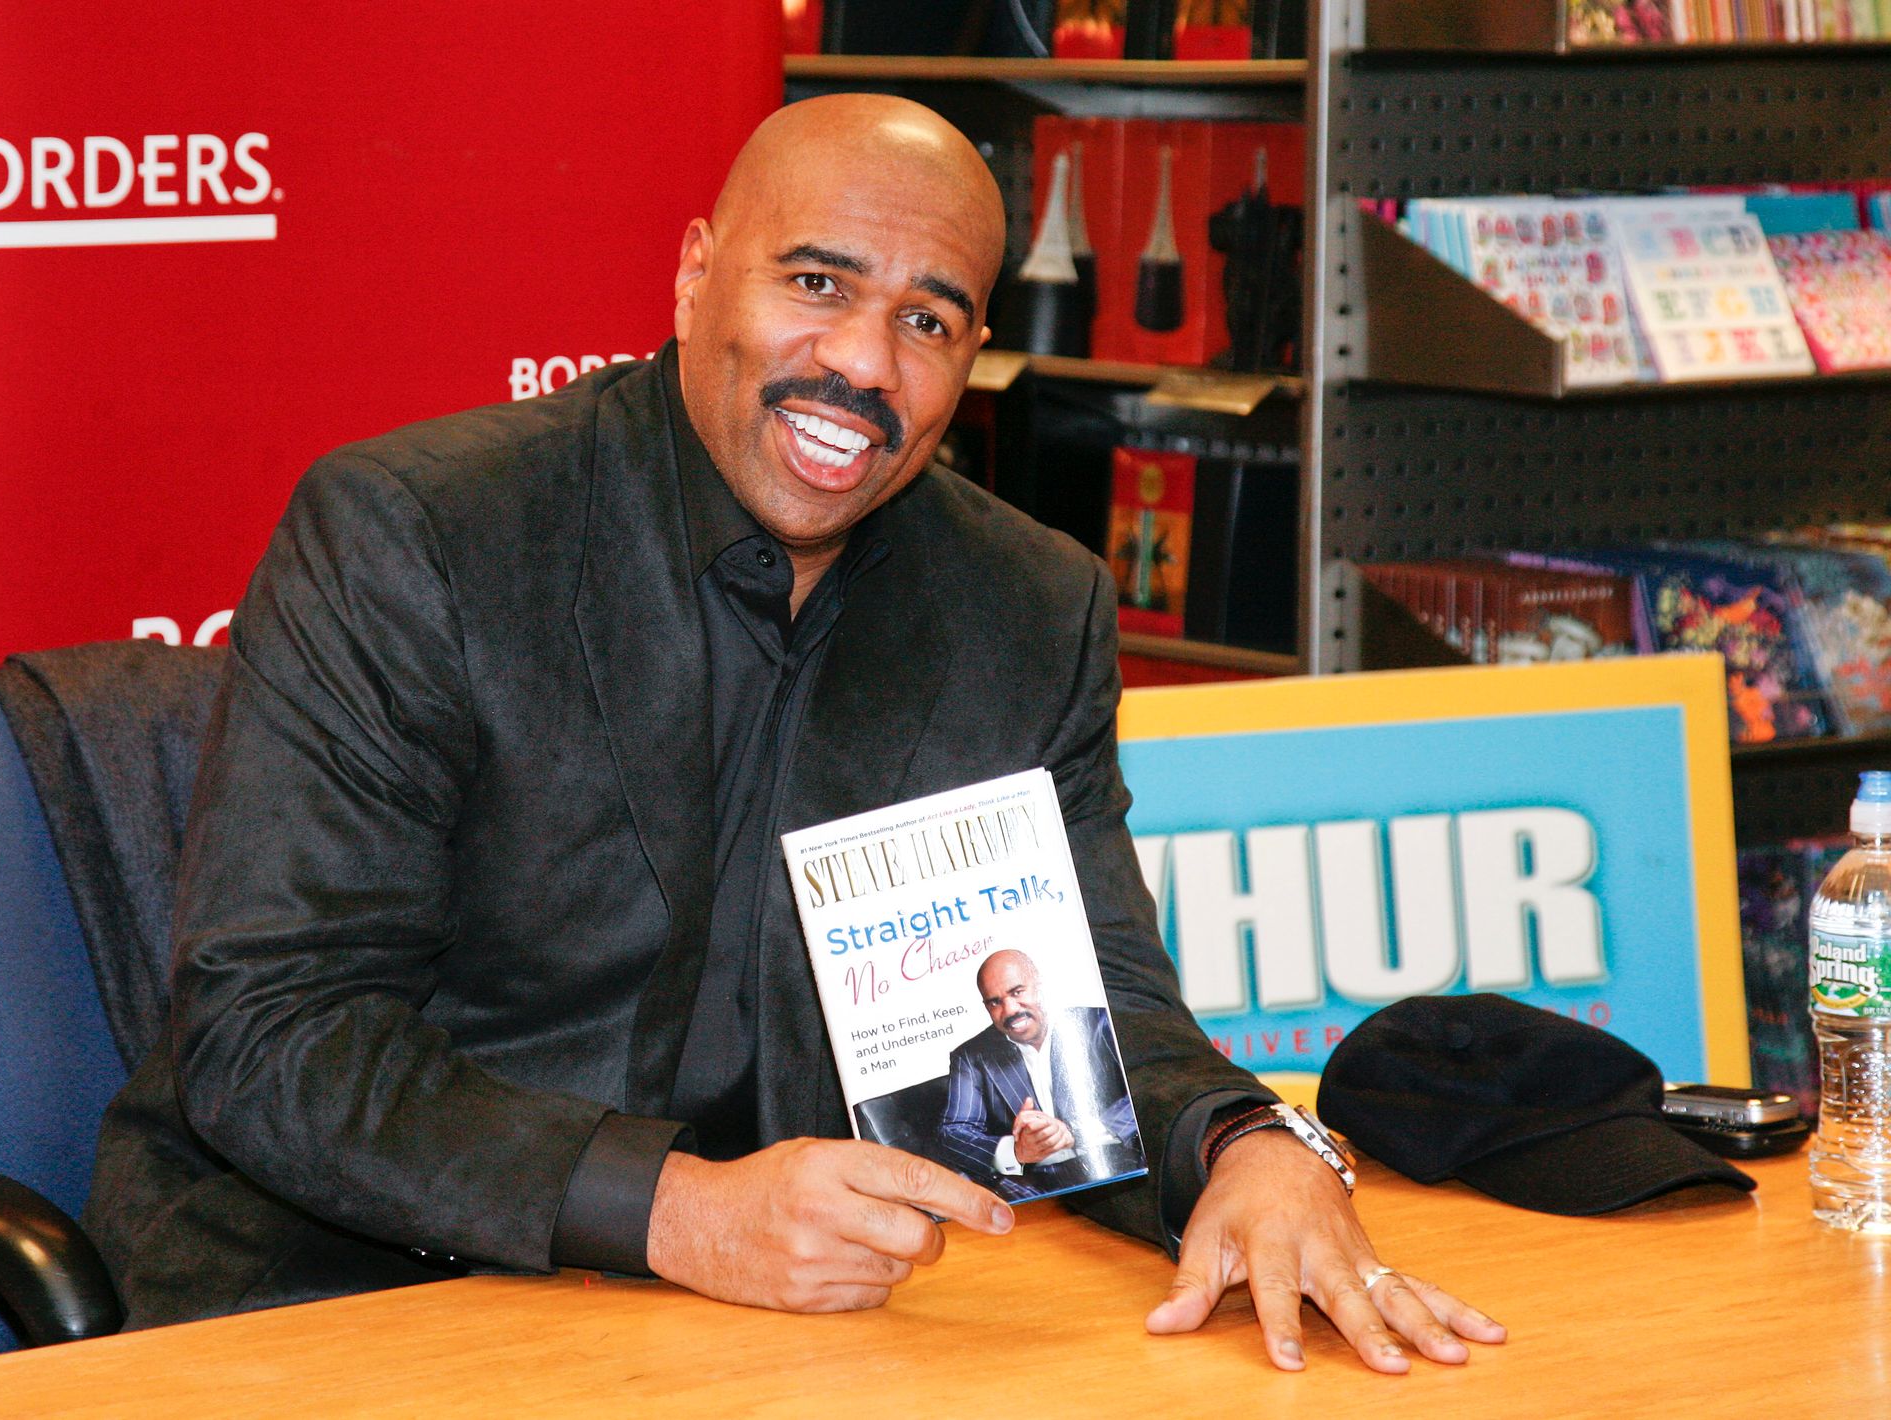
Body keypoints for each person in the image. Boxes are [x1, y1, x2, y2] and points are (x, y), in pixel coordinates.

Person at [86, 93, 1504, 1375]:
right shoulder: (421, 538)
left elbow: (1081, 1009)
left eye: (927, 321)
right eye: (815, 283)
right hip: (351, 1297)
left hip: (781, 1338)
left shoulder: (1026, 606)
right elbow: (273, 1038)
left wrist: (1247, 1144)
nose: (859, 364)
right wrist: (675, 1212)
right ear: (699, 272)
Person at [938, 950, 1139, 1200]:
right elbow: (955, 1132)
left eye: (1017, 992)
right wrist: (1016, 1151)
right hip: (1035, 1184)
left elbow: (1145, 1091)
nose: (1010, 1009)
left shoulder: (1100, 1022)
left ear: (1041, 986)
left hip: (1119, 1168)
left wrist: (1074, 1133)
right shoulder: (971, 1055)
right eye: (995, 1002)